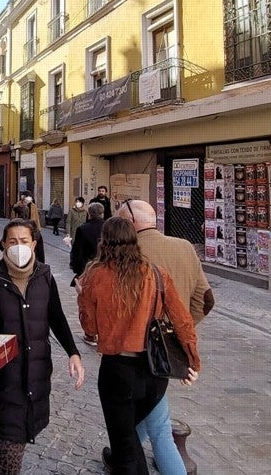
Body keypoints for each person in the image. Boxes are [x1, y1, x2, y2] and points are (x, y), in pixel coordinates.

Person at [77, 217, 200, 475]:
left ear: (104, 241)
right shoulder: (156, 273)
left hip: (118, 371)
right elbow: (183, 321)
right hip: (155, 373)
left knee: (126, 448)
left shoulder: (95, 275)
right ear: (135, 240)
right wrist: (193, 361)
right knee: (135, 433)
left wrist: (83, 297)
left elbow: (90, 330)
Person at [0, 219, 85, 475]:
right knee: (10, 453)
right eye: (12, 241)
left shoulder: (45, 276)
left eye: (24, 241)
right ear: (4, 245)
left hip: (37, 376)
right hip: (6, 379)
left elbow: (57, 317)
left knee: (24, 434)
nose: (19, 246)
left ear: (34, 244)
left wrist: (73, 352)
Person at [117, 199, 214, 475]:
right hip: (168, 350)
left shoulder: (127, 252)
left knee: (158, 424)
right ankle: (119, 452)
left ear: (131, 224)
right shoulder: (184, 247)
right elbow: (205, 300)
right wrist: (176, 330)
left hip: (135, 350)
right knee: (152, 408)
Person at [69, 202, 106, 344]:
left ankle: (90, 334)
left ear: (89, 213)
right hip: (106, 267)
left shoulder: (83, 229)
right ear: (102, 213)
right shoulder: (108, 227)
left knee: (87, 302)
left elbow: (77, 251)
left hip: (88, 269)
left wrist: (76, 268)